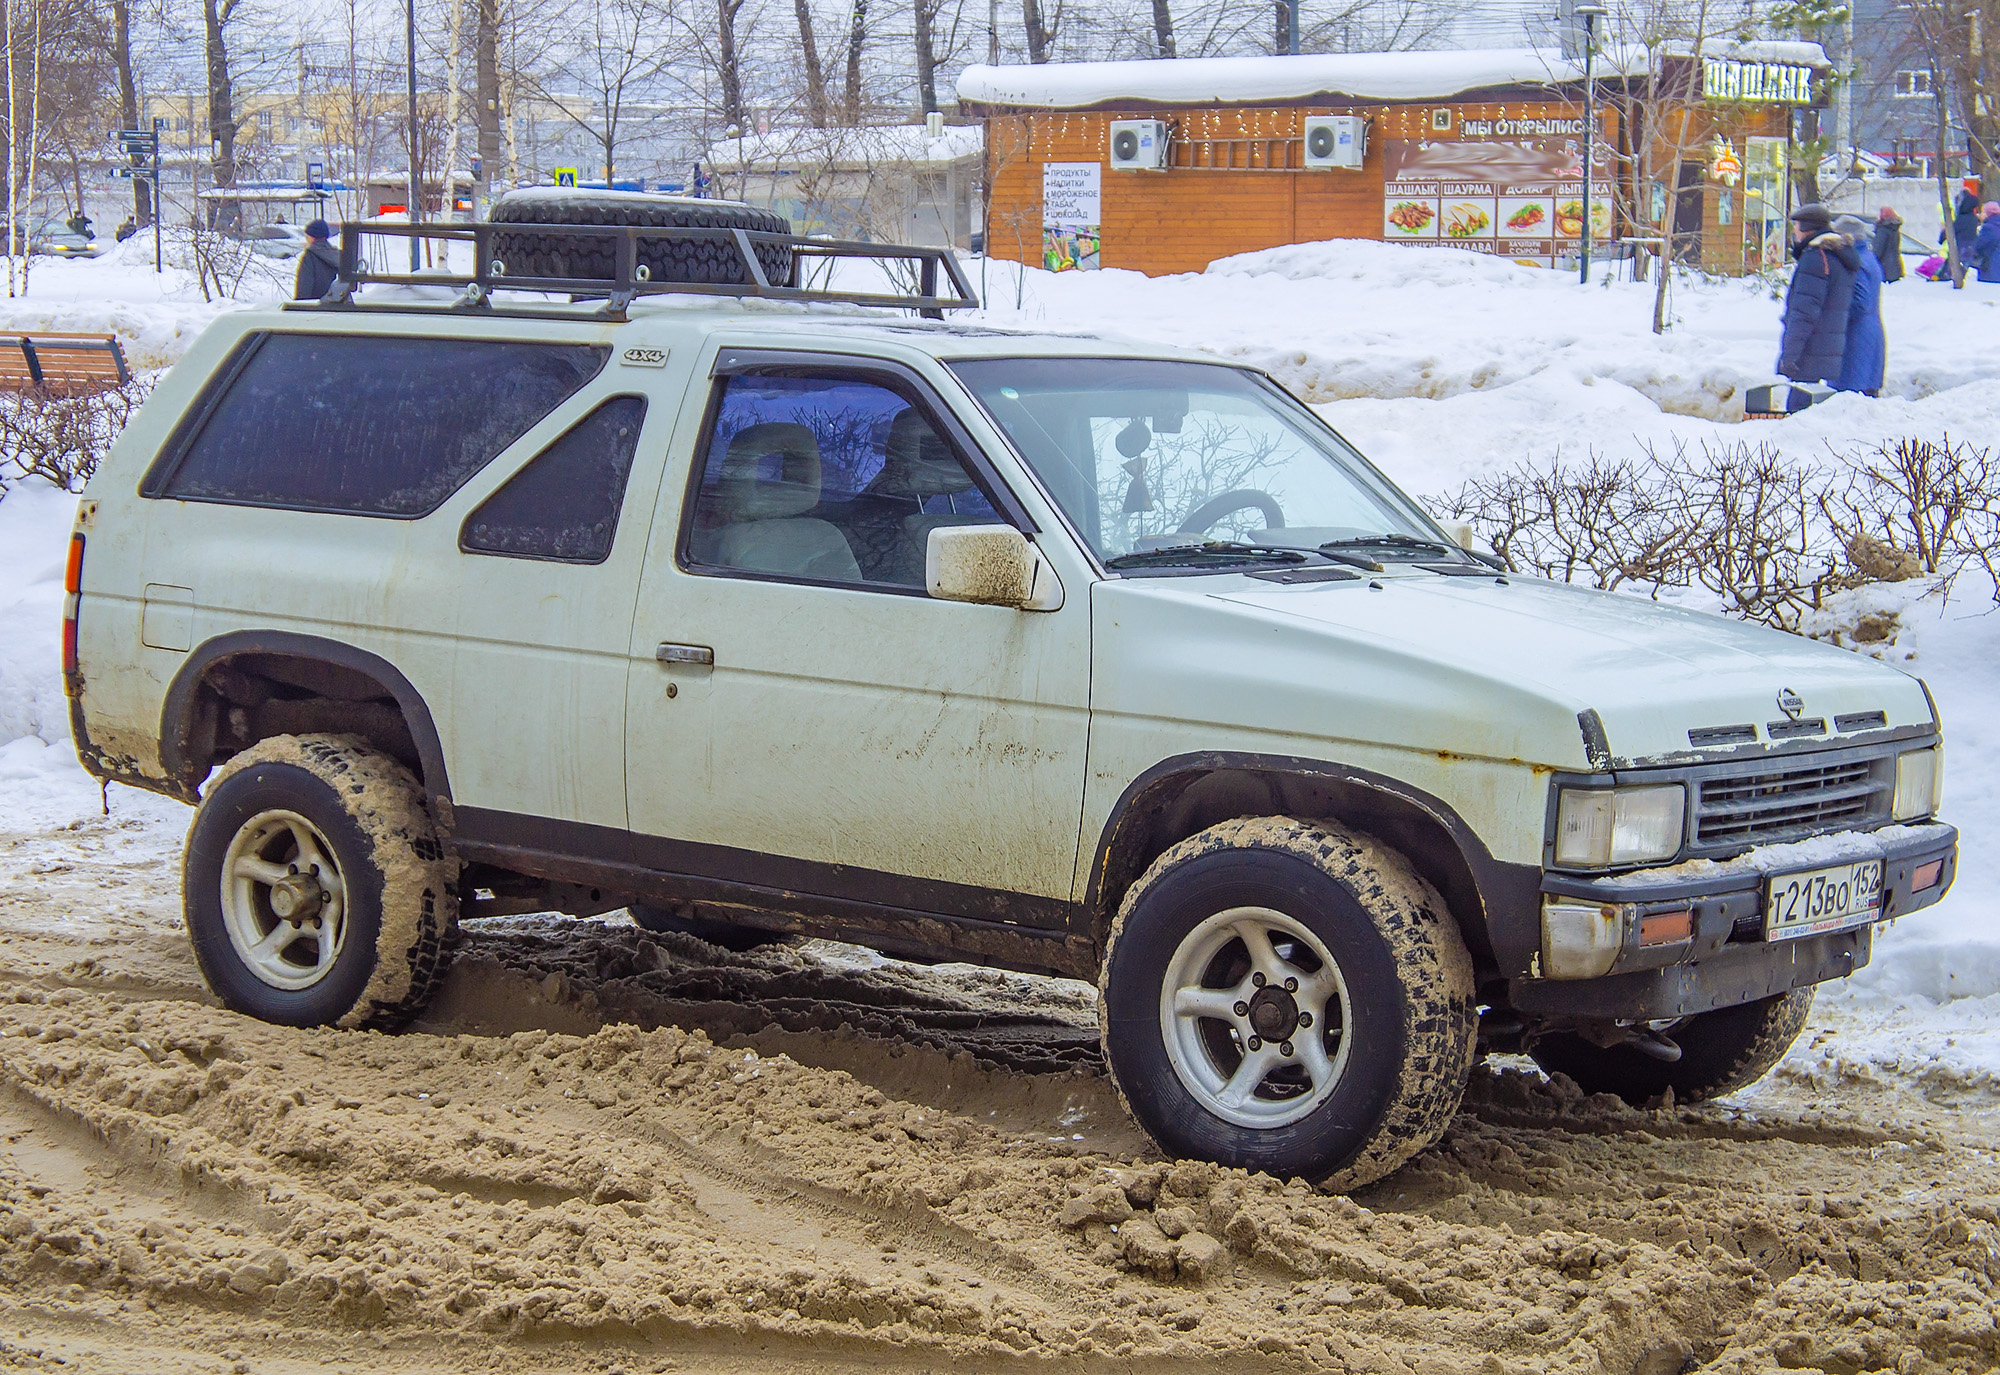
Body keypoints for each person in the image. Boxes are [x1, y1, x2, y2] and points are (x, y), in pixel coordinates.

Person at [1777, 203, 1856, 386]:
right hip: (1826, 348)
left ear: (1807, 228)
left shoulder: (1815, 258)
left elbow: (1804, 312)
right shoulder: (1837, 255)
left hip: (1808, 352)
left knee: (1800, 408)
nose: (1794, 231)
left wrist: (1789, 355)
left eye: (1796, 226)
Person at [1833, 215, 1885, 396]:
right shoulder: (1867, 257)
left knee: (1851, 397)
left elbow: (1860, 302)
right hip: (1870, 333)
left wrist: (1834, 313)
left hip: (1857, 338)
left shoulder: (1856, 262)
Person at [293, 219, 342, 300]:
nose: (306, 238)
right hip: (334, 305)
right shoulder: (336, 255)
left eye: (307, 235)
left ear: (312, 236)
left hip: (314, 307)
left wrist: (299, 305)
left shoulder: (309, 257)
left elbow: (304, 286)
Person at [1945, 176, 1981, 272]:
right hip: (1971, 244)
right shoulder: (1974, 218)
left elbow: (1952, 228)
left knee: (1956, 267)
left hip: (1960, 244)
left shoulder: (1961, 218)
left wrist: (1942, 238)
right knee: (1964, 266)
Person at [1872, 206, 1905, 284]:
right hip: (1895, 267)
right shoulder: (1895, 229)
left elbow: (1878, 249)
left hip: (1884, 268)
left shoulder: (1883, 230)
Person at [1974, 202, 2000, 285]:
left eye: (1983, 212)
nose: (1980, 215)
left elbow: (1979, 246)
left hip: (1992, 264)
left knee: (1989, 290)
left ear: (1988, 213)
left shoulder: (1988, 228)